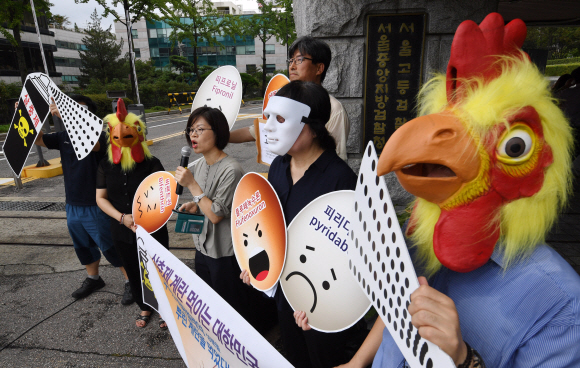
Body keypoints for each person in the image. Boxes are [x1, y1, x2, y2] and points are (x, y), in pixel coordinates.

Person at [240, 81, 359, 368]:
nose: (268, 127)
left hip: (322, 298)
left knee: (322, 358)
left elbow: (347, 252)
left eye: (280, 119)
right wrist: (255, 265)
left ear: (314, 126)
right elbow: (270, 223)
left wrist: (319, 305)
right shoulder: (280, 165)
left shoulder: (340, 179)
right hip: (284, 289)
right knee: (294, 356)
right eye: (268, 117)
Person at [29, 97, 131, 303]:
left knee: (110, 245)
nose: (73, 113)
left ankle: (131, 282)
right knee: (82, 245)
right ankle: (93, 278)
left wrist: (68, 115)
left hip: (97, 204)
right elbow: (38, 139)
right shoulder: (63, 136)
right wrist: (28, 114)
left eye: (79, 111)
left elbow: (92, 145)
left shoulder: (101, 137)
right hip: (73, 204)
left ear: (91, 116)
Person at [95, 99, 169, 329]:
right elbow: (100, 198)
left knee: (158, 268)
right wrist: (121, 217)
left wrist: (147, 218)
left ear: (139, 134)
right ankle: (145, 305)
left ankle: (167, 309)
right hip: (121, 228)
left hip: (152, 227)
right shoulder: (106, 164)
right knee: (133, 269)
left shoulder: (151, 163)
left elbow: (164, 196)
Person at [174, 107, 248, 317]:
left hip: (223, 253)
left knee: (229, 308)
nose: (193, 135)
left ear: (218, 133)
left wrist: (192, 186)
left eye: (200, 129)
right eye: (190, 129)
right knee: (209, 302)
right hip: (202, 247)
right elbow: (206, 202)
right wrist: (195, 206)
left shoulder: (231, 169)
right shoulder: (200, 164)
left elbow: (216, 215)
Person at [229, 36, 351, 161]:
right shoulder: (284, 103)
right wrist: (221, 136)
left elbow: (336, 160)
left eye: (299, 60)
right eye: (291, 60)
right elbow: (256, 131)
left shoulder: (334, 110)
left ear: (319, 68)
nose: (292, 66)